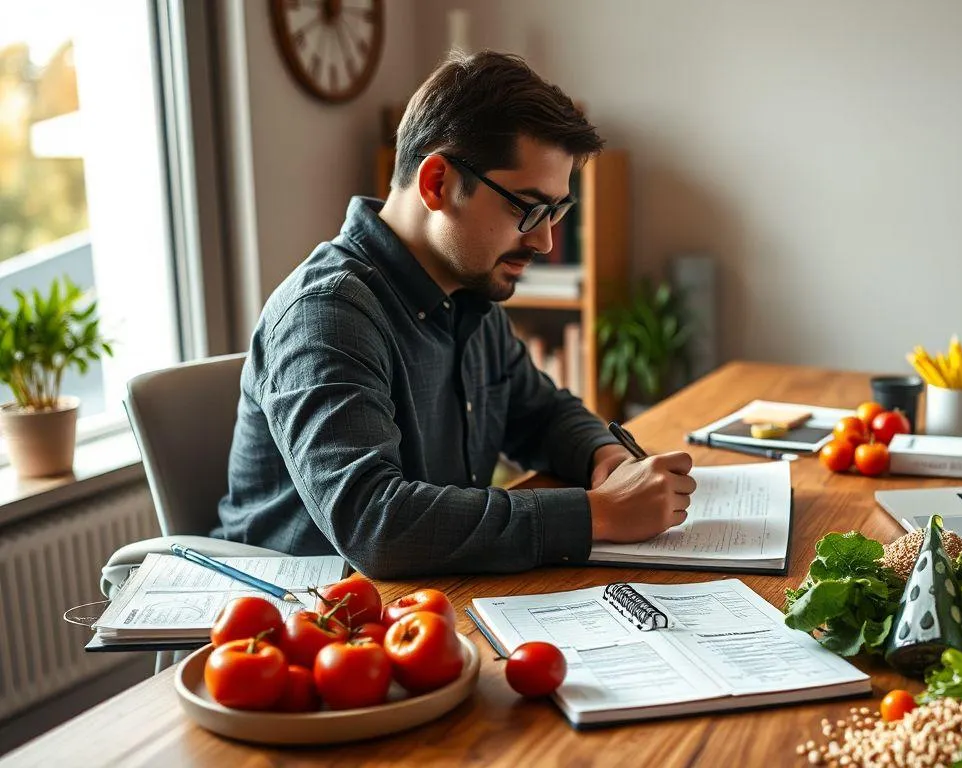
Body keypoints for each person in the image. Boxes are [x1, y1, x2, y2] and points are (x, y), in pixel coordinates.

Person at [215, 51, 695, 578]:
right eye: (527, 208)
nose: (543, 239)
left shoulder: (467, 289)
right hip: (306, 626)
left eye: (556, 212)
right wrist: (597, 514)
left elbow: (539, 413)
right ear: (437, 183)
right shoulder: (325, 315)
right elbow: (377, 525)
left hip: (435, 602)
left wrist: (607, 459)